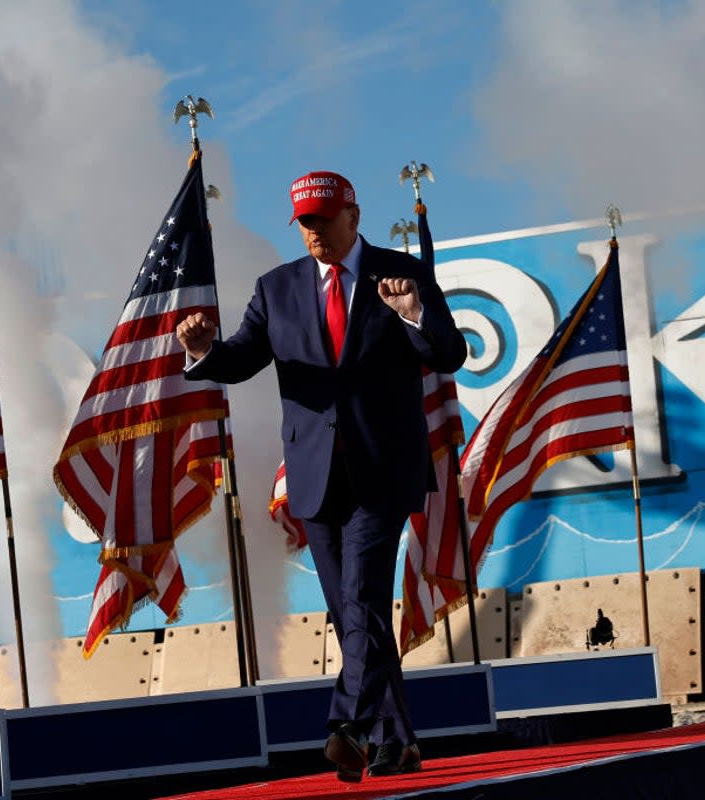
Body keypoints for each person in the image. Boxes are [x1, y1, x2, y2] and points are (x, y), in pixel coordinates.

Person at [176, 170, 467, 782]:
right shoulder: (276, 289)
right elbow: (241, 359)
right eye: (304, 224)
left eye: (324, 221)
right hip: (314, 475)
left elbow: (448, 353)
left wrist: (413, 315)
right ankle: (399, 739)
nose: (314, 233)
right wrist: (204, 351)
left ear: (353, 217)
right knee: (351, 613)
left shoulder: (401, 274)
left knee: (361, 597)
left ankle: (350, 726)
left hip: (383, 470)